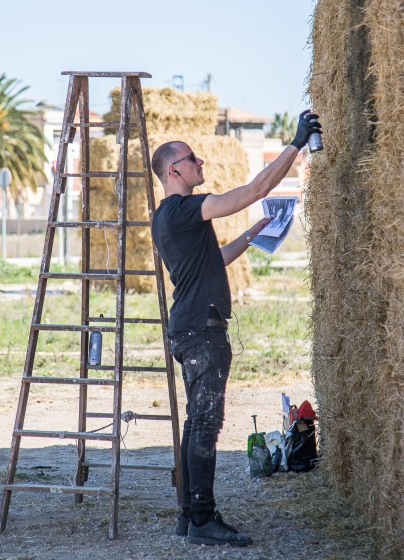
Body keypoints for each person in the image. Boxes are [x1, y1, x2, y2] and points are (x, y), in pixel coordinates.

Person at [150, 110, 322, 547]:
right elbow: (256, 189)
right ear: (174, 169)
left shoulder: (165, 218)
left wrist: (251, 235)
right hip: (201, 332)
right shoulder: (185, 208)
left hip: (187, 328)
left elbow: (211, 262)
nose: (200, 163)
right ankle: (204, 520)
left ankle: (189, 516)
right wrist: (297, 143)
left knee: (196, 424)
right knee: (206, 425)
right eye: (192, 159)